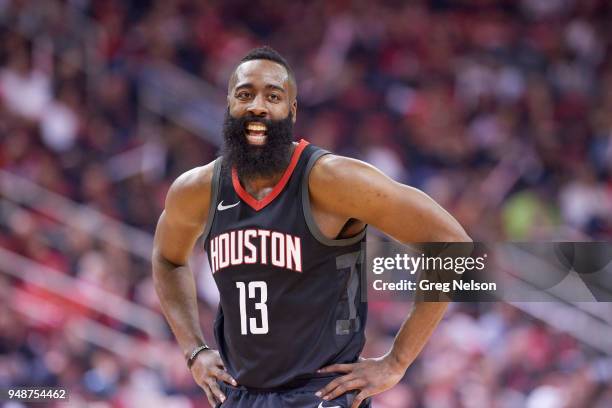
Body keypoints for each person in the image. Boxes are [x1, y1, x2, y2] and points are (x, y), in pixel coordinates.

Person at [152, 46, 471, 408]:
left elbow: (451, 243)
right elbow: (167, 259)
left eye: (273, 96)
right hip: (240, 394)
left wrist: (396, 362)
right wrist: (195, 350)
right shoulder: (197, 190)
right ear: (229, 105)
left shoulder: (334, 180)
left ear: (292, 110)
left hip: (320, 394)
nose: (257, 105)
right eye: (245, 94)